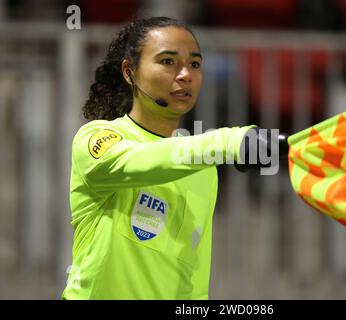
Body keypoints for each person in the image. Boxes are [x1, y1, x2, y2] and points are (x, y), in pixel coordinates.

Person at [62, 17, 285, 300]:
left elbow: (193, 279)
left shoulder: (202, 169)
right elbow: (141, 161)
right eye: (168, 62)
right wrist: (229, 141)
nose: (185, 75)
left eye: (194, 64)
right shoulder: (97, 138)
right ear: (130, 72)